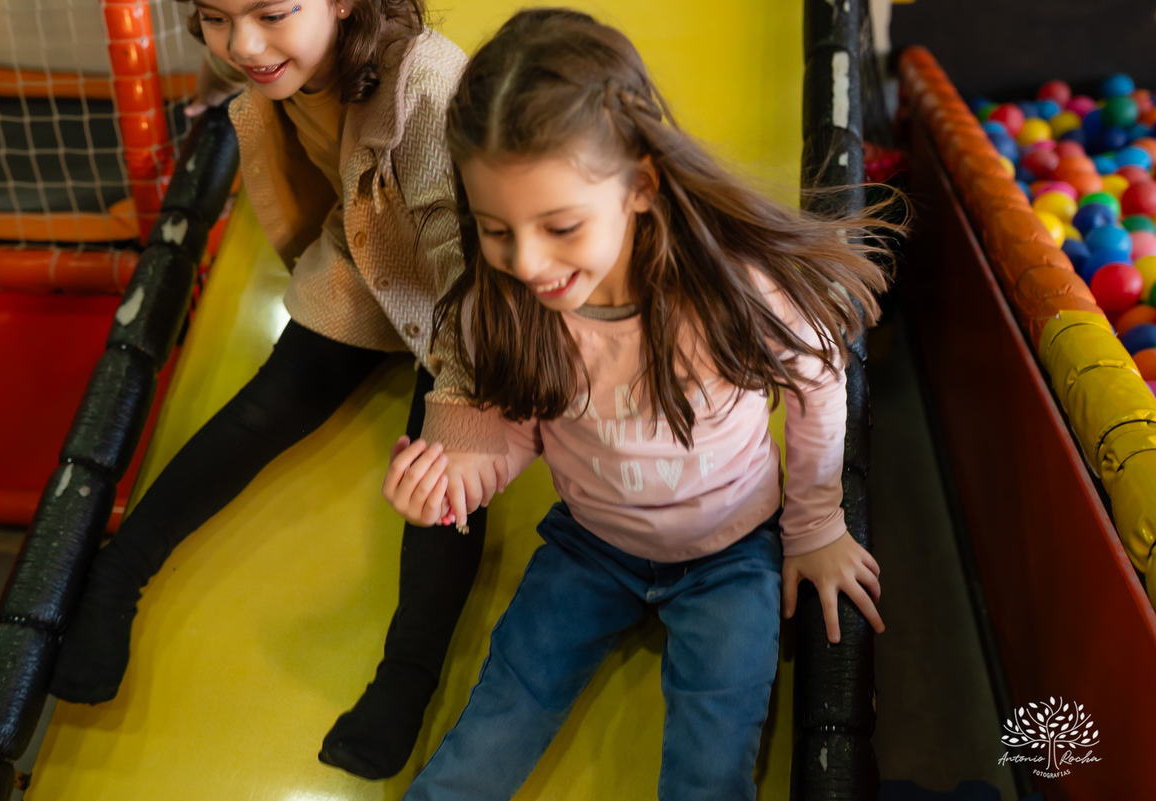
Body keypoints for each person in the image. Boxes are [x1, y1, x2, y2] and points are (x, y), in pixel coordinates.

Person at [382, 8, 896, 799]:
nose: (528, 260)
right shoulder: (508, 303)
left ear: (641, 187)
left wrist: (816, 522)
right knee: (500, 714)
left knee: (710, 760)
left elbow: (818, 377)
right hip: (590, 548)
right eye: (496, 229)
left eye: (560, 225)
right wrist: (459, 481)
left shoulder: (727, 293)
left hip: (732, 557)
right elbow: (521, 422)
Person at [49, 0, 486, 781]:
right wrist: (222, 81)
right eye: (215, 17)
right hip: (367, 261)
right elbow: (249, 75)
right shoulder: (272, 62)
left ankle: (407, 676)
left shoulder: (426, 88)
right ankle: (118, 574)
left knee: (444, 475)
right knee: (268, 401)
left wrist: (457, 398)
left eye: (271, 13)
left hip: (470, 302)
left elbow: (468, 261)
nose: (243, 44)